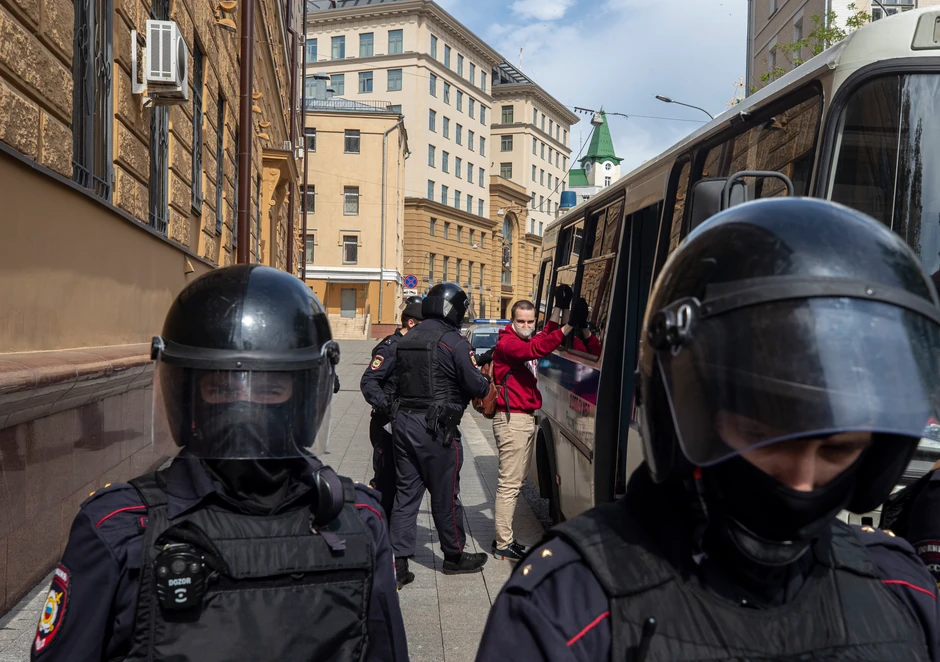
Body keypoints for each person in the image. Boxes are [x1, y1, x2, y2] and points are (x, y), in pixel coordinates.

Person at [477, 198, 940, 661]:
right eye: (766, 438)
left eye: (837, 451)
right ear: (683, 418)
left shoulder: (902, 590)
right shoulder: (565, 609)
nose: (802, 481)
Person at [31, 265, 408, 662]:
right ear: (187, 397)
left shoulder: (358, 521)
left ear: (303, 399)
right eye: (221, 388)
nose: (245, 408)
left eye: (269, 389)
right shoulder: (120, 531)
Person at [390, 282, 491, 587]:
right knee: (445, 495)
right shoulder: (454, 341)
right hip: (437, 428)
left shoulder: (408, 337)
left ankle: (398, 564)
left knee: (406, 495)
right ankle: (454, 556)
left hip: (404, 423)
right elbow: (477, 385)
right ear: (453, 309)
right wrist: (485, 382)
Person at [490, 299, 579, 561]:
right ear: (512, 321)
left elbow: (540, 338)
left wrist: (557, 311)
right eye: (521, 321)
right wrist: (568, 327)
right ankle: (503, 543)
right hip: (512, 421)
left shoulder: (521, 339)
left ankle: (504, 537)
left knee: (517, 482)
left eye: (530, 321)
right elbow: (537, 347)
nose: (527, 326)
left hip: (522, 419)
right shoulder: (508, 343)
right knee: (509, 485)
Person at [360, 295, 424, 529]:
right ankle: (377, 528)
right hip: (385, 424)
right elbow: (369, 381)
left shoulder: (414, 346)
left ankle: (393, 530)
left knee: (402, 480)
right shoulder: (391, 346)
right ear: (411, 323)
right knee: (385, 480)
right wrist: (388, 406)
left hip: (404, 423)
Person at [544, 285, 601, 356]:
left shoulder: (578, 347)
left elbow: (552, 336)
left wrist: (559, 305)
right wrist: (565, 306)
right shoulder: (576, 345)